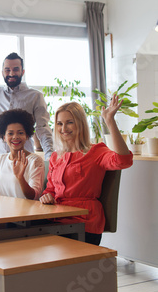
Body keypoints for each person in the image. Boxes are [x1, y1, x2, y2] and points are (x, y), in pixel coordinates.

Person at [39, 95, 133, 246]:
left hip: (83, 221)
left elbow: (124, 161)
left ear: (80, 124)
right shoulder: (56, 157)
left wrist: (110, 121)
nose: (63, 129)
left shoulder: (96, 151)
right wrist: (46, 197)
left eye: (69, 122)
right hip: (56, 219)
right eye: (59, 123)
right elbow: (50, 189)